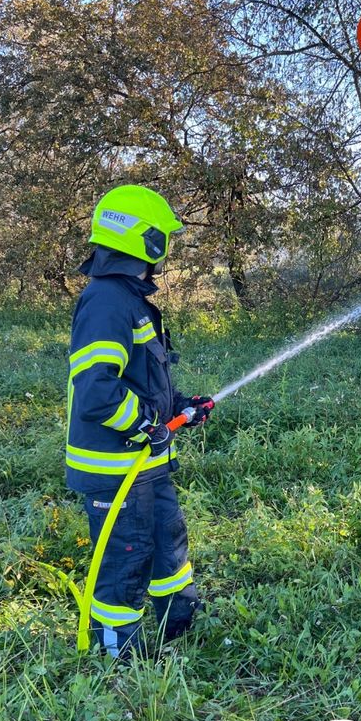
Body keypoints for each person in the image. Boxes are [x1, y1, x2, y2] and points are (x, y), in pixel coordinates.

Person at [66, 184, 213, 659]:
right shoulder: (106, 302)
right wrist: (147, 426)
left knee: (168, 543)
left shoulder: (129, 300)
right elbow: (96, 391)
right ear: (146, 240)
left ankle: (179, 623)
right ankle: (119, 653)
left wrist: (179, 408)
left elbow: (139, 380)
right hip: (116, 468)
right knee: (124, 561)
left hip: (146, 464)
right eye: (163, 237)